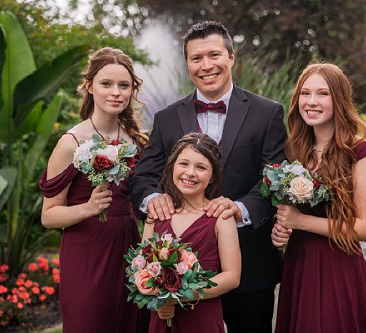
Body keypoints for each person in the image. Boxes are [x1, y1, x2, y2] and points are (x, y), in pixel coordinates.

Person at [130, 21, 287, 333]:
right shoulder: (166, 118)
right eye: (195, 58)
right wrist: (153, 200)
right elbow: (142, 176)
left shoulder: (267, 112)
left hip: (250, 262)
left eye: (213, 55)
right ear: (187, 63)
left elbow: (275, 177)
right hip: (175, 270)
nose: (206, 66)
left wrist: (239, 209)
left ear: (231, 57)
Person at [39, 47, 150, 333]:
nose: (116, 92)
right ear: (89, 86)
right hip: (86, 251)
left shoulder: (136, 141)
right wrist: (88, 208)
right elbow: (49, 216)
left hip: (128, 245)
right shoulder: (71, 142)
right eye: (106, 84)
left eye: (124, 85)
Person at [271, 62, 366, 333]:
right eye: (305, 93)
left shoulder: (361, 154)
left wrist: (301, 222)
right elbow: (291, 215)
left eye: (323, 93)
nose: (311, 101)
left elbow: (365, 228)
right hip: (298, 265)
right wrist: (282, 230)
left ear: (340, 100)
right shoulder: (295, 152)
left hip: (338, 268)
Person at [143, 132, 241, 332]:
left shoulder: (220, 216)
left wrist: (175, 295)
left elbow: (232, 277)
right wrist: (160, 300)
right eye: (184, 164)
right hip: (163, 317)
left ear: (213, 176)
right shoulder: (157, 213)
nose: (190, 173)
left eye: (201, 167)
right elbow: (142, 268)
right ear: (172, 167)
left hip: (202, 317)